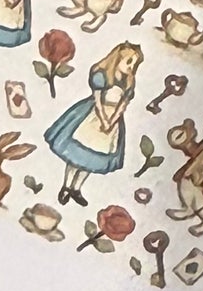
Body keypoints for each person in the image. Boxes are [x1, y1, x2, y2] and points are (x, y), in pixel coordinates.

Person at [45, 43, 145, 207]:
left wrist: (112, 121)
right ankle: (67, 186)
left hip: (112, 121)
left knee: (92, 158)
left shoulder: (128, 82)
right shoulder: (102, 75)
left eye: (135, 64)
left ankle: (76, 188)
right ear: (117, 58)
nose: (131, 67)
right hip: (94, 116)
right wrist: (104, 119)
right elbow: (97, 100)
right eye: (129, 61)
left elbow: (123, 105)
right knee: (76, 155)